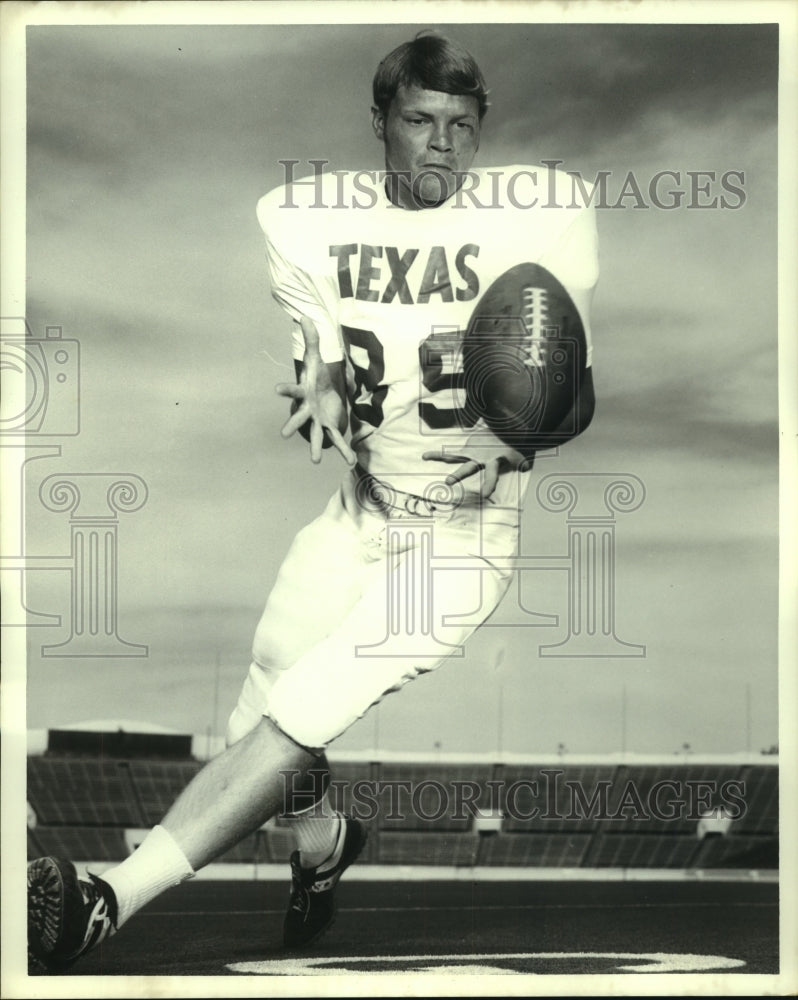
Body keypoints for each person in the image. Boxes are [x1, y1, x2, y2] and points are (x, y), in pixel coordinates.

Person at [26, 31, 598, 972]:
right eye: (419, 120)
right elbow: (325, 358)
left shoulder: (540, 214)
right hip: (358, 511)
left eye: (463, 125)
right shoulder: (301, 219)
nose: (442, 144)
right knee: (265, 716)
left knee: (303, 716)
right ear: (380, 121)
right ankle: (324, 845)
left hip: (460, 542)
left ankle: (106, 899)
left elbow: (571, 386)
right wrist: (324, 387)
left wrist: (516, 436)